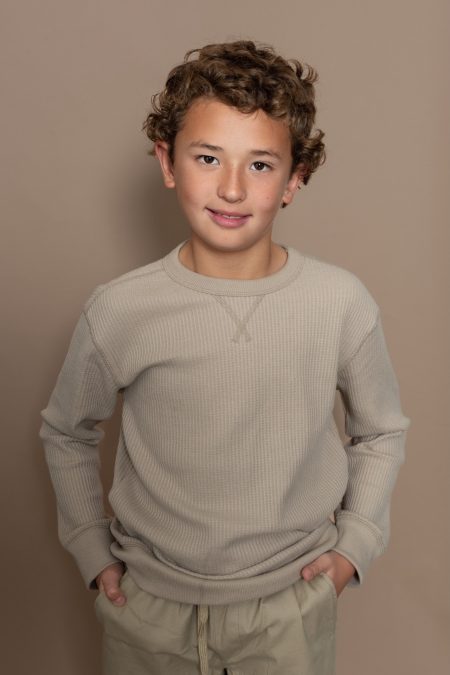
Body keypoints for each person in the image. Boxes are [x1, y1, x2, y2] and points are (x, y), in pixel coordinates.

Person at [39, 40, 411, 675]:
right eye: (208, 158)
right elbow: (67, 431)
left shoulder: (339, 302)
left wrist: (355, 546)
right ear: (168, 162)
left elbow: (381, 430)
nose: (232, 188)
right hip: (148, 607)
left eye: (260, 165)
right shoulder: (121, 309)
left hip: (290, 605)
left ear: (295, 179)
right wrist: (91, 550)